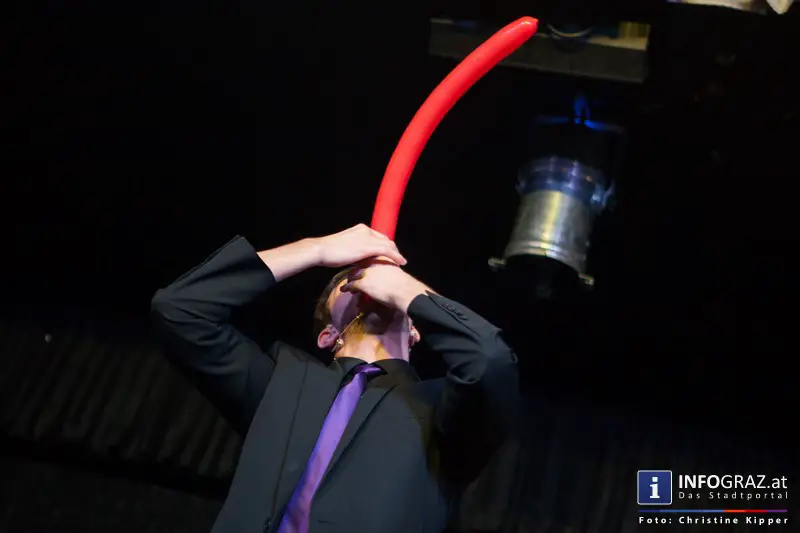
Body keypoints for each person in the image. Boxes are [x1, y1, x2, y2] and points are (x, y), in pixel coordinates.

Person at [151, 223, 519, 533]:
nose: (370, 281)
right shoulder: (281, 383)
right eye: (352, 279)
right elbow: (180, 311)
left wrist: (407, 290)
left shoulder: (441, 411)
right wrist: (317, 249)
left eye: (381, 279)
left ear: (415, 331)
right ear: (328, 335)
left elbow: (490, 361)